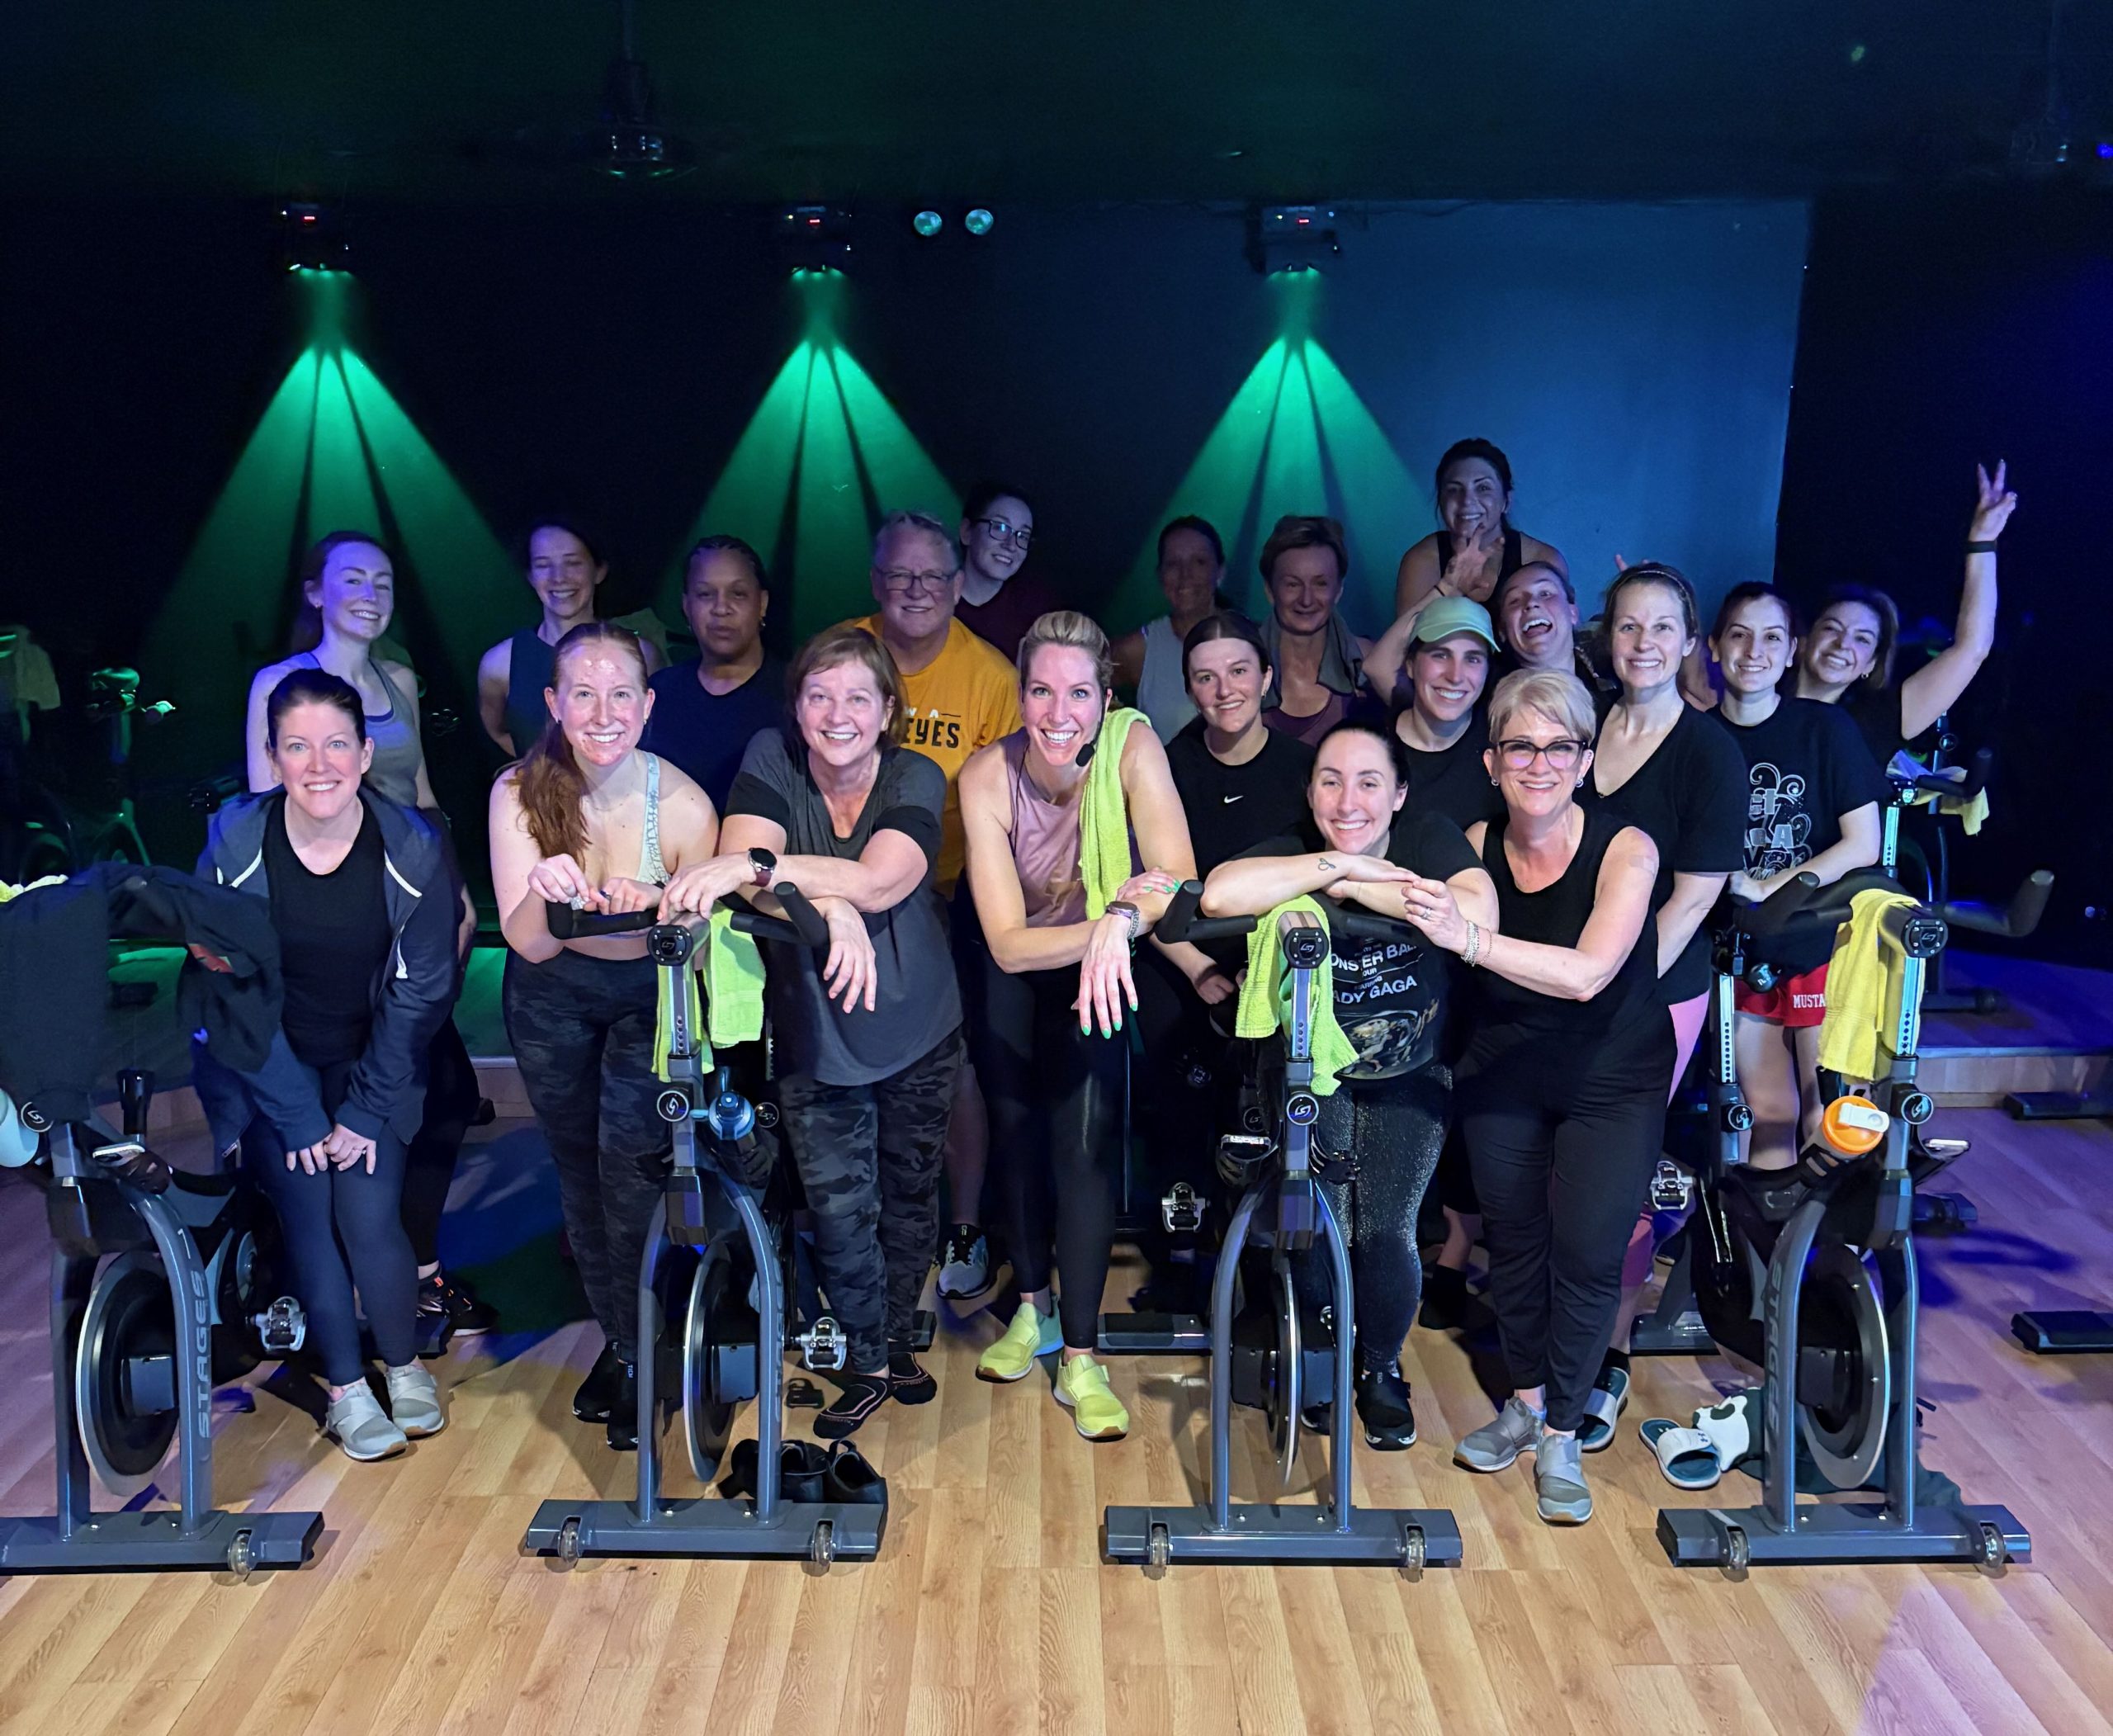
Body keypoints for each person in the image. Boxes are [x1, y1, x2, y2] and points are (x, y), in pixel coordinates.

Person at [659, 626, 962, 1440]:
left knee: (905, 1194)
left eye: (858, 697)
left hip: (917, 1024)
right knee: (836, 1205)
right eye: (820, 695)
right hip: (815, 1029)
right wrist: (828, 904)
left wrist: (791, 879)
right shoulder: (770, 756)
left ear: (887, 710)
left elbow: (870, 876)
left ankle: (897, 1341)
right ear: (797, 706)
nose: (838, 714)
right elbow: (740, 871)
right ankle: (865, 1358)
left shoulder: (917, 772)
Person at [1415, 669, 1667, 1526]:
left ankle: (1563, 1426)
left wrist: (1471, 940)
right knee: (1513, 1244)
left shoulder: (1627, 847)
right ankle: (1524, 1402)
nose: (1539, 761)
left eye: (1558, 745)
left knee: (1589, 1252)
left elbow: (1590, 973)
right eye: (1520, 745)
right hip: (1505, 1067)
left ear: (1585, 758)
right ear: (1491, 760)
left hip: (1612, 1075)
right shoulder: (1474, 847)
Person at [1200, 720, 1496, 1446]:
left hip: (1410, 1071)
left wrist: (1366, 880)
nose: (1348, 798)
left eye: (1369, 782)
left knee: (1385, 1230)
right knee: (1315, 1219)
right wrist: (1334, 866)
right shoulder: (1300, 845)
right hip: (1311, 1069)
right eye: (1330, 779)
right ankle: (1323, 1357)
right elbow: (1218, 895)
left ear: (1397, 794)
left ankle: (1379, 1366)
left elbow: (1477, 912)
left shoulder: (1428, 836)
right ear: (1311, 790)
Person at [958, 611, 1212, 1442]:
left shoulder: (1134, 746)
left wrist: (1117, 927)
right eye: (1040, 690)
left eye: (1077, 692)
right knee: (1017, 1134)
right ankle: (1029, 1309)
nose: (1057, 711)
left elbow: (1174, 877)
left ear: (1107, 698)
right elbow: (1006, 942)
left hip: (1097, 966)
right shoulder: (985, 777)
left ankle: (1081, 1354)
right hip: (1015, 966)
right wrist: (1111, 920)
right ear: (1020, 695)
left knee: (1086, 1148)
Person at [195, 669, 458, 1461]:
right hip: (267, 1063)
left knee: (370, 1210)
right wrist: (300, 1112)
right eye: (298, 746)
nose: (319, 763)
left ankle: (404, 1365)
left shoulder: (413, 843)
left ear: (365, 751)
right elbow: (233, 994)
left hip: (371, 1057)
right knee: (310, 1206)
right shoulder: (234, 843)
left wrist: (366, 1110)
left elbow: (424, 990)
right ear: (273, 758)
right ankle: (345, 1388)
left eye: (336, 743)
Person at [243, 531, 492, 1340]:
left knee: (444, 1094)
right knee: (316, 1105)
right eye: (353, 578)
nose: (370, 592)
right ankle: (322, 1291)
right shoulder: (278, 685)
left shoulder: (400, 681)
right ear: (315, 592)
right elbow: (261, 811)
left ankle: (413, 1269)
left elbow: (419, 796)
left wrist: (454, 894)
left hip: (406, 912)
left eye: (383, 579)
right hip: (322, 925)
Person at [488, 622, 718, 1449]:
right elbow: (528, 942)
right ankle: (624, 1349)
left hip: (646, 996)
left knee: (630, 1178)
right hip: (548, 995)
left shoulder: (686, 806)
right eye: (581, 693)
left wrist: (652, 903)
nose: (602, 710)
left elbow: (698, 949)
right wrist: (551, 896)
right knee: (578, 1178)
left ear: (648, 704)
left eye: (621, 693)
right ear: (553, 702)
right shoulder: (518, 790)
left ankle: (653, 1354)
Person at [1573, 565, 1747, 1436]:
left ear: (1688, 642)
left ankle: (1609, 1356)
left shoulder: (1708, 751)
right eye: (1628, 626)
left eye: (1660, 628)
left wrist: (1616, 982)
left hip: (1649, 992)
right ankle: (1555, 1344)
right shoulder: (1582, 724)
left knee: (1623, 1181)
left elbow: (1694, 895)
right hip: (1566, 979)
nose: (1641, 643)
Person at [846, 511, 1022, 1301]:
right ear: (876, 582)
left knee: (954, 1073)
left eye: (931, 577)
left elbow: (1015, 807)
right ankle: (864, 1231)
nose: (914, 590)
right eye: (899, 575)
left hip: (952, 903)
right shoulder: (844, 654)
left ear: (957, 587)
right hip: (846, 904)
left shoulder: (988, 677)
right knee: (847, 1076)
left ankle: (964, 1226)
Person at [1138, 612, 1307, 1309]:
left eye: (1239, 671)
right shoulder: (1167, 767)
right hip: (1183, 963)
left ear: (1267, 678)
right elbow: (1143, 888)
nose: (1224, 688)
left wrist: (1260, 975)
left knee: (1277, 1119)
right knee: (1179, 1114)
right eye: (1204, 677)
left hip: (1280, 971)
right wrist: (1200, 972)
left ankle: (1276, 1272)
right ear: (1189, 689)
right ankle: (1180, 1259)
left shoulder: (1305, 769)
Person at [1710, 584, 1886, 1171]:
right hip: (1740, 955)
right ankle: (1771, 1260)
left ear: (1792, 652)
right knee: (1771, 1114)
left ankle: (1830, 1255)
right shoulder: (1698, 737)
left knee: (1826, 1112)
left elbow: (1865, 842)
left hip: (1821, 946)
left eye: (1772, 637)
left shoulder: (1825, 729)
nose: (1754, 649)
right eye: (1739, 633)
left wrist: (1772, 885)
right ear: (1714, 646)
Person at [1794, 462, 2016, 767]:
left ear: (1871, 663)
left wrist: (1982, 541)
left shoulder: (1880, 719)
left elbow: (1971, 649)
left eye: (1862, 638)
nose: (1844, 643)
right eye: (1832, 628)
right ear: (1803, 642)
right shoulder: (1757, 705)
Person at [477, 519, 664, 759]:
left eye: (573, 563)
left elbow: (658, 734)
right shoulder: (499, 663)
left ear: (599, 571)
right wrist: (545, 773)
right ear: (531, 576)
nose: (559, 577)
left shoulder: (642, 656)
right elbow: (498, 731)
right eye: (543, 565)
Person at [641, 535, 787, 812]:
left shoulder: (797, 695)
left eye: (738, 593)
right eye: (706, 594)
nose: (721, 608)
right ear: (686, 605)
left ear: (762, 603)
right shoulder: (659, 694)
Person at [1392, 439, 1568, 618]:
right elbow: (1402, 644)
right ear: (1441, 500)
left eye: (1483, 488)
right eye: (1454, 489)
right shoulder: (1422, 561)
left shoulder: (1542, 560)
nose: (1467, 500)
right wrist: (1448, 590)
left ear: (1506, 501)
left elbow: (1562, 639)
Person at [1255, 514, 1374, 746]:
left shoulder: (1368, 661)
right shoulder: (1241, 663)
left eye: (1321, 584)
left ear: (1338, 590)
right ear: (1270, 590)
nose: (1307, 599)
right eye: (1292, 584)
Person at [1113, 515, 1227, 742]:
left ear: (1220, 572)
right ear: (1160, 575)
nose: (1185, 575)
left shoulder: (1253, 642)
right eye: (1173, 564)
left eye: (1199, 562)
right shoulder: (1139, 649)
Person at [954, 482, 1061, 660]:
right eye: (1000, 527)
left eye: (1023, 536)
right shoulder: (932, 599)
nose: (1011, 545)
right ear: (967, 531)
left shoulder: (1039, 613)